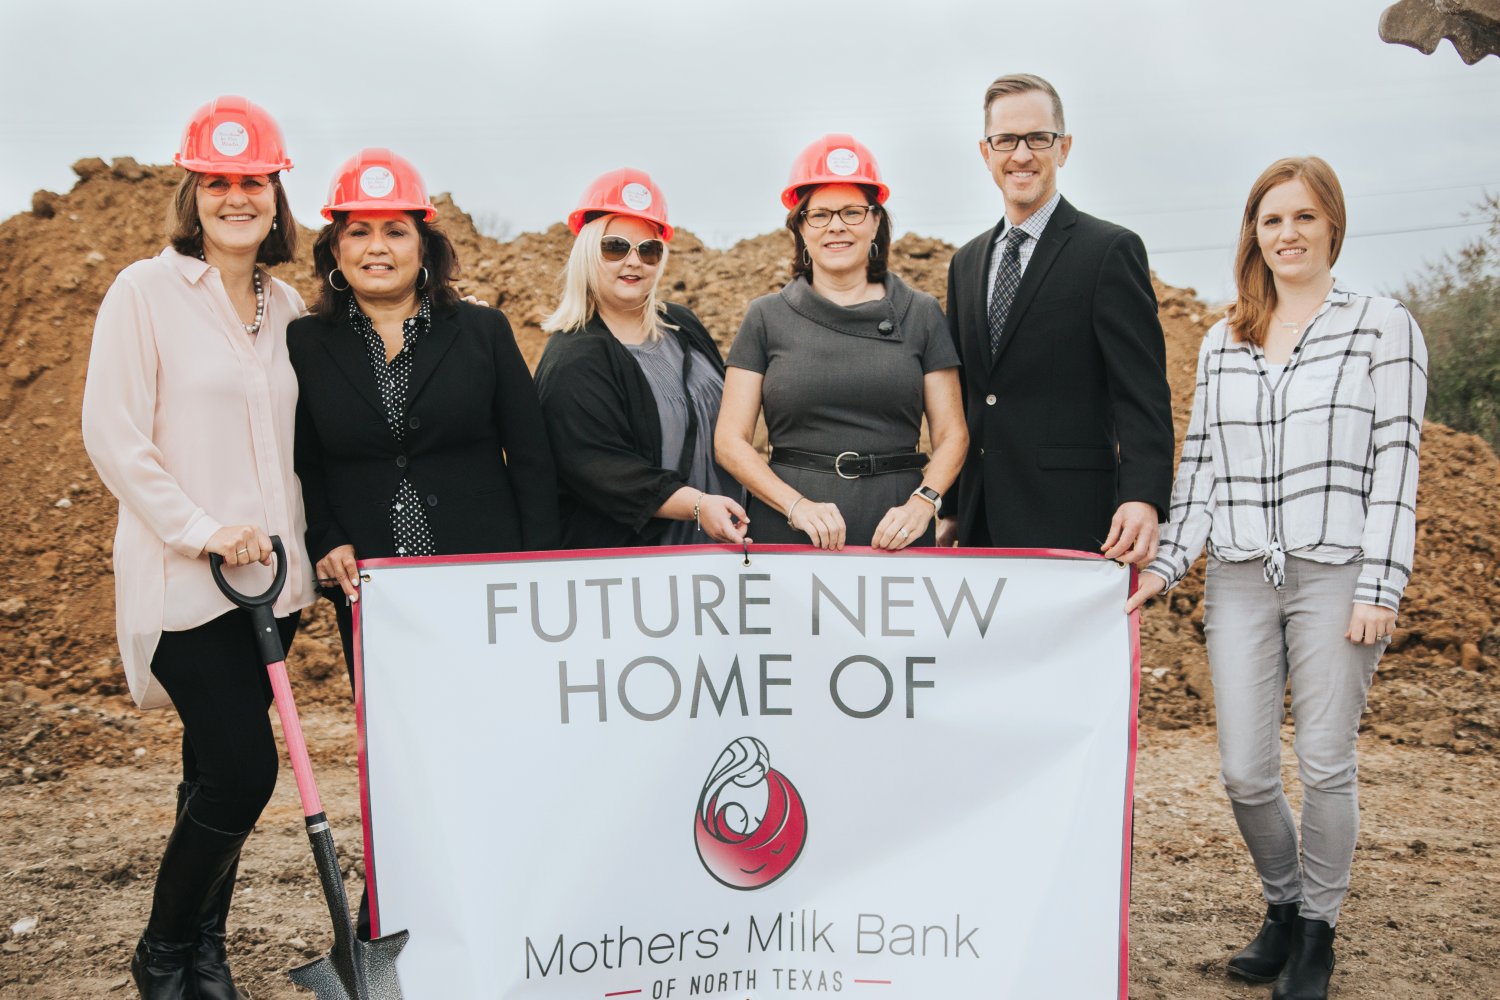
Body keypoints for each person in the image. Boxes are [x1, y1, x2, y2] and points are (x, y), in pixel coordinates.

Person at [1127, 157, 1427, 1000]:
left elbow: (1398, 464)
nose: (1287, 234)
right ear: (1253, 235)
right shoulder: (1225, 340)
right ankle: (1284, 907)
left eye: (1303, 217)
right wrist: (1166, 566)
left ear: (1332, 225)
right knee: (1246, 771)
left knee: (1325, 762)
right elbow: (1201, 468)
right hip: (1241, 576)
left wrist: (1381, 584)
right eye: (1271, 220)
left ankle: (1318, 934)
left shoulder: (1382, 327)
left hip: (1338, 573)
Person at [81, 95, 314, 1000]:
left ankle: (203, 956)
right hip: (187, 584)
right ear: (192, 193)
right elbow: (114, 436)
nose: (236, 197)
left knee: (209, 772)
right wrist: (200, 528)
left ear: (275, 193)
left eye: (253, 180)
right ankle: (163, 948)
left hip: (270, 589)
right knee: (245, 773)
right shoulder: (143, 293)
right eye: (217, 181)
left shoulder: (286, 303)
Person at [289, 147, 559, 676]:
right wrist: (325, 536)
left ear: (423, 246)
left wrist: (537, 565)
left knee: (494, 702)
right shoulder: (304, 342)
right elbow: (305, 460)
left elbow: (532, 457)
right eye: (358, 231)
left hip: (486, 573)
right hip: (371, 581)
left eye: (395, 231)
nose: (377, 247)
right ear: (336, 249)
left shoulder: (484, 331)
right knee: (395, 716)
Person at [939, 73, 1173, 562]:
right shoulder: (966, 263)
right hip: (981, 522)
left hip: (1074, 520)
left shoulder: (1108, 251)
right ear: (986, 153)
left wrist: (1143, 496)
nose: (1021, 154)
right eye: (1006, 140)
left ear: (1063, 148)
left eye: (1038, 138)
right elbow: (969, 398)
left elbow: (1142, 391)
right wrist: (955, 505)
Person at [715, 134, 967, 550]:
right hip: (790, 528)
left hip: (897, 530)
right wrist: (795, 506)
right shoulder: (765, 317)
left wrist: (923, 503)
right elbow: (729, 441)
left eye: (852, 212)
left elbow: (953, 434)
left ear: (875, 222)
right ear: (800, 227)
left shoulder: (921, 313)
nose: (836, 226)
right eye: (819, 215)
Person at [535, 168, 748, 548]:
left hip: (725, 544)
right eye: (615, 247)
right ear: (587, 252)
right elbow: (600, 468)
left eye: (648, 250)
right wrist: (698, 505)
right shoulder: (573, 357)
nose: (634, 261)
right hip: (643, 561)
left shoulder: (682, 324)